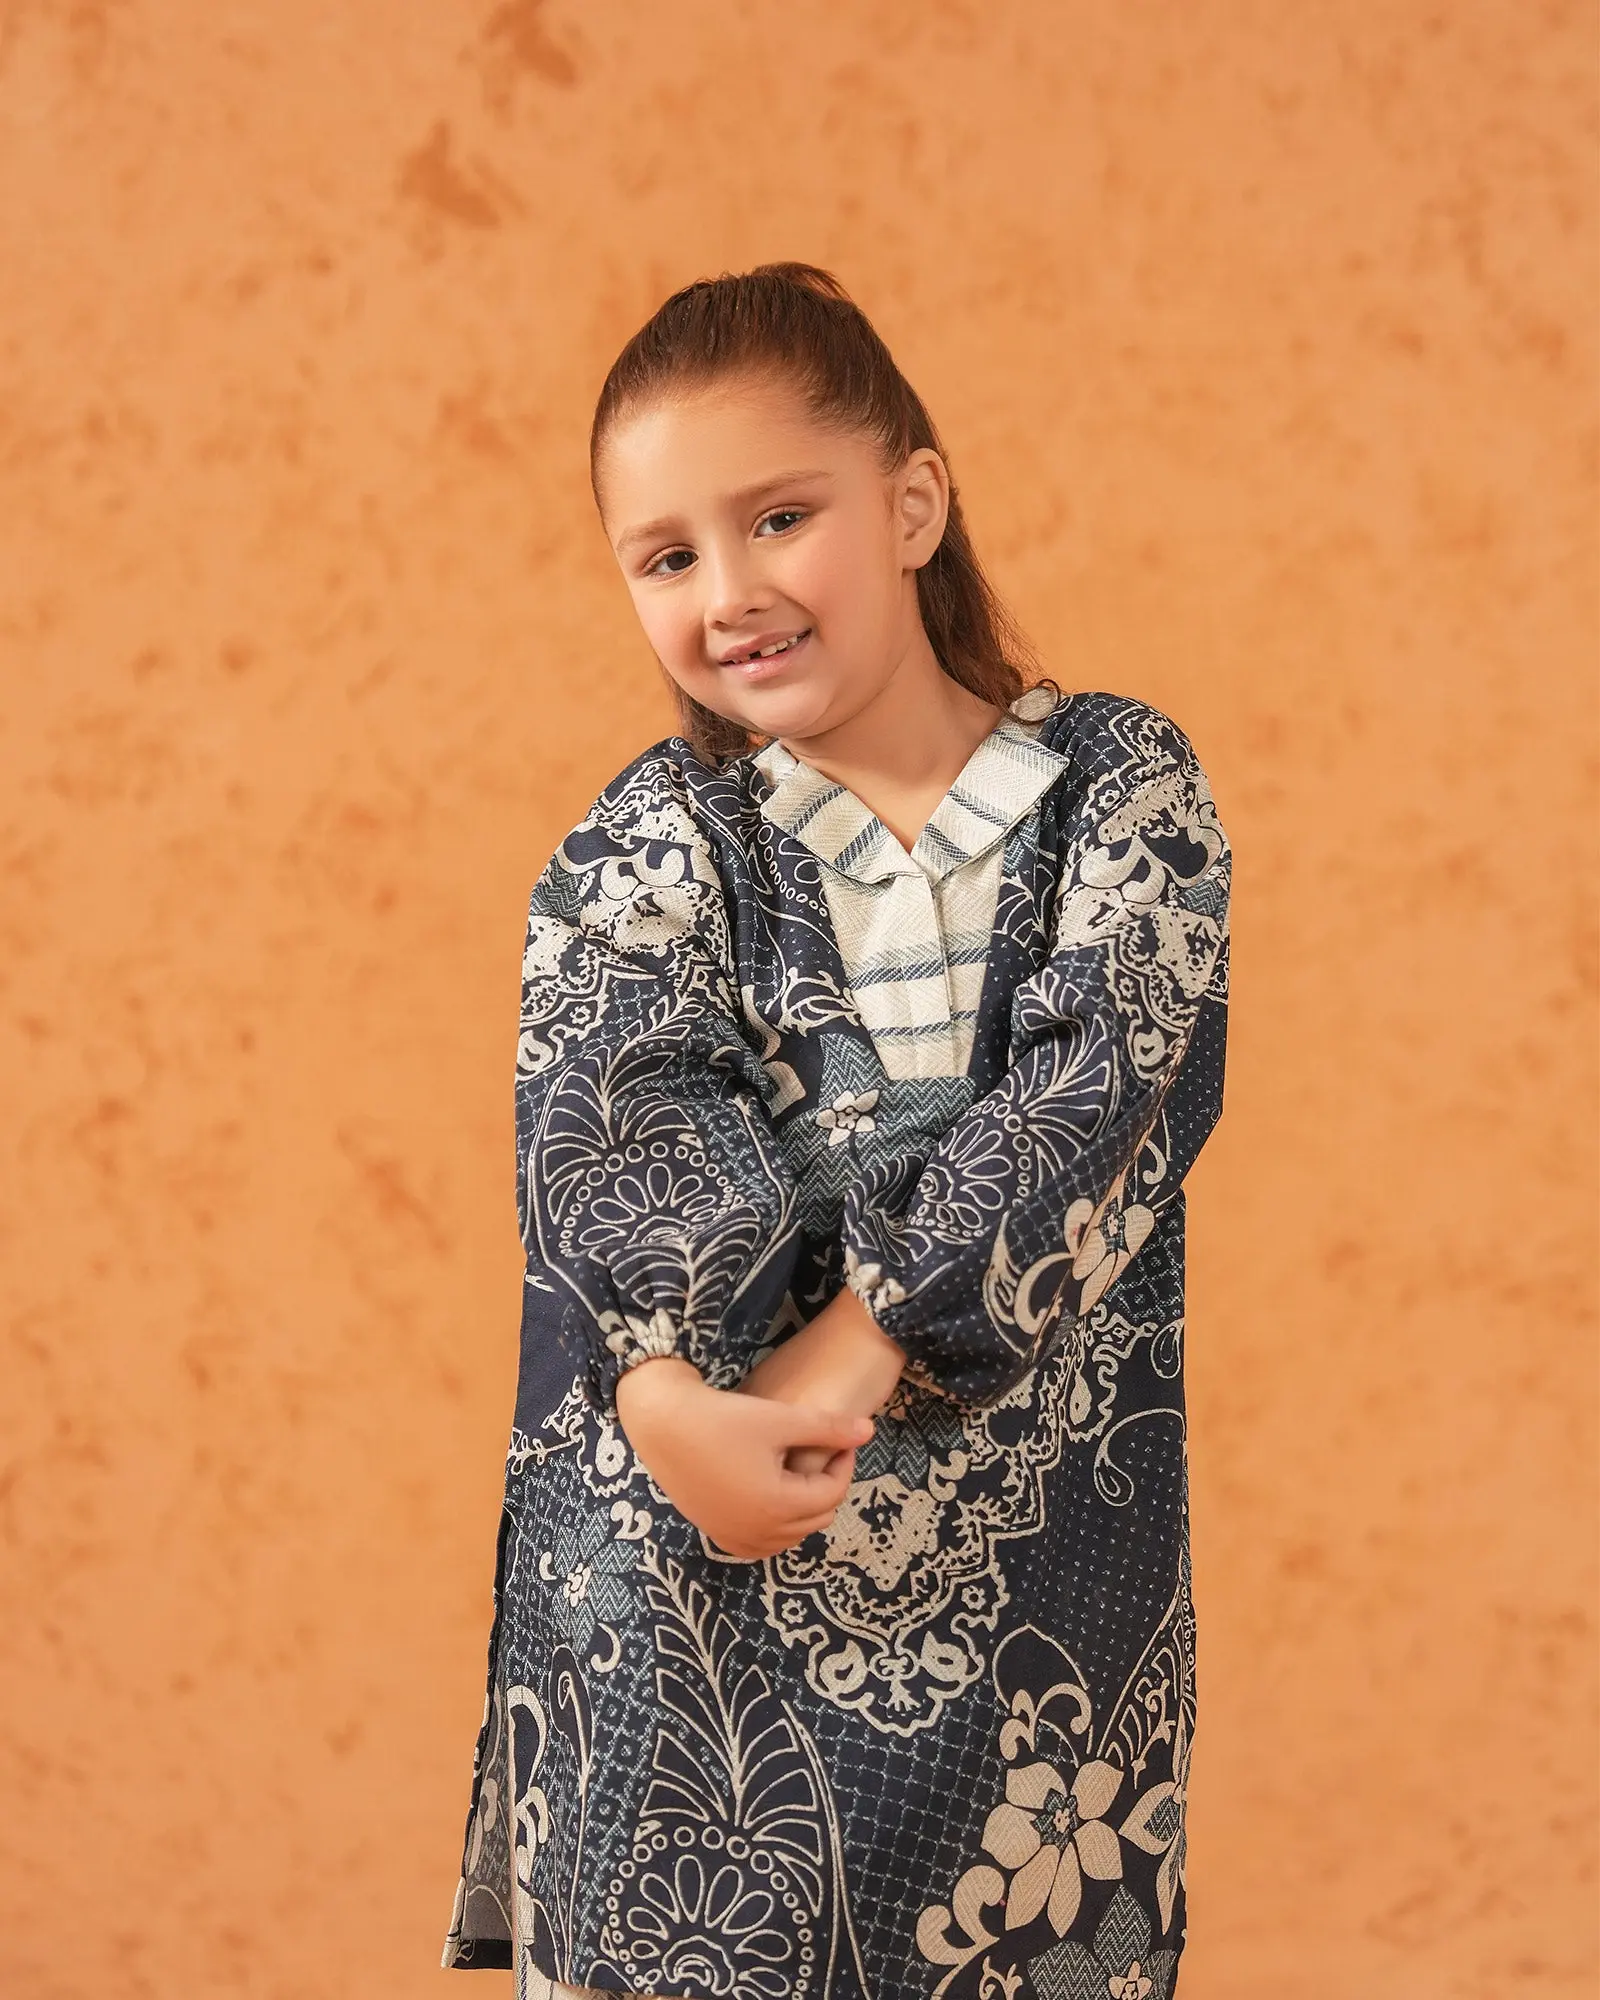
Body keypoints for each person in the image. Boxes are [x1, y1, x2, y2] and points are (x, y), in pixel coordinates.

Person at [444, 264, 1229, 2000]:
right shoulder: (651, 846)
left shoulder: (1116, 793)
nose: (728, 593)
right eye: (664, 558)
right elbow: (607, 1131)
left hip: (1039, 1616)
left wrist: (867, 1337)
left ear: (913, 505)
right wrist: (666, 1400)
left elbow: (1104, 1087)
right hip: (691, 1582)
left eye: (780, 518)